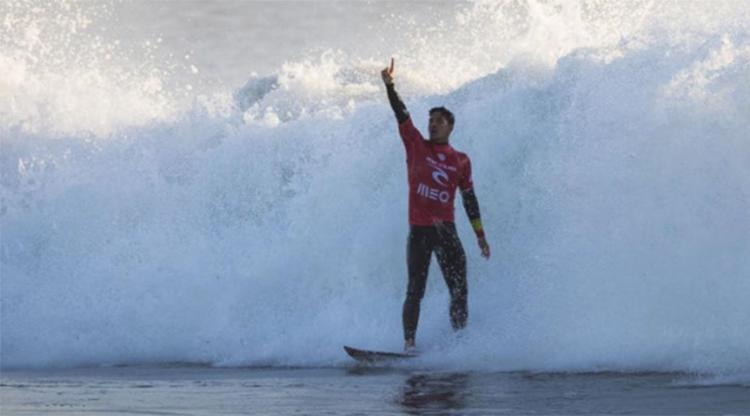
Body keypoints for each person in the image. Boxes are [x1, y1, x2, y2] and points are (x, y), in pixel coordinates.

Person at [381, 58, 491, 352]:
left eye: (439, 121)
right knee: (414, 290)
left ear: (450, 127)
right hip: (419, 232)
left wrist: (480, 235)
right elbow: (401, 114)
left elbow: (469, 200)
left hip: (447, 233)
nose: (432, 124)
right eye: (430, 120)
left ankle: (460, 343)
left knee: (459, 291)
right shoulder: (416, 146)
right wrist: (390, 86)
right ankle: (409, 345)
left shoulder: (461, 160)